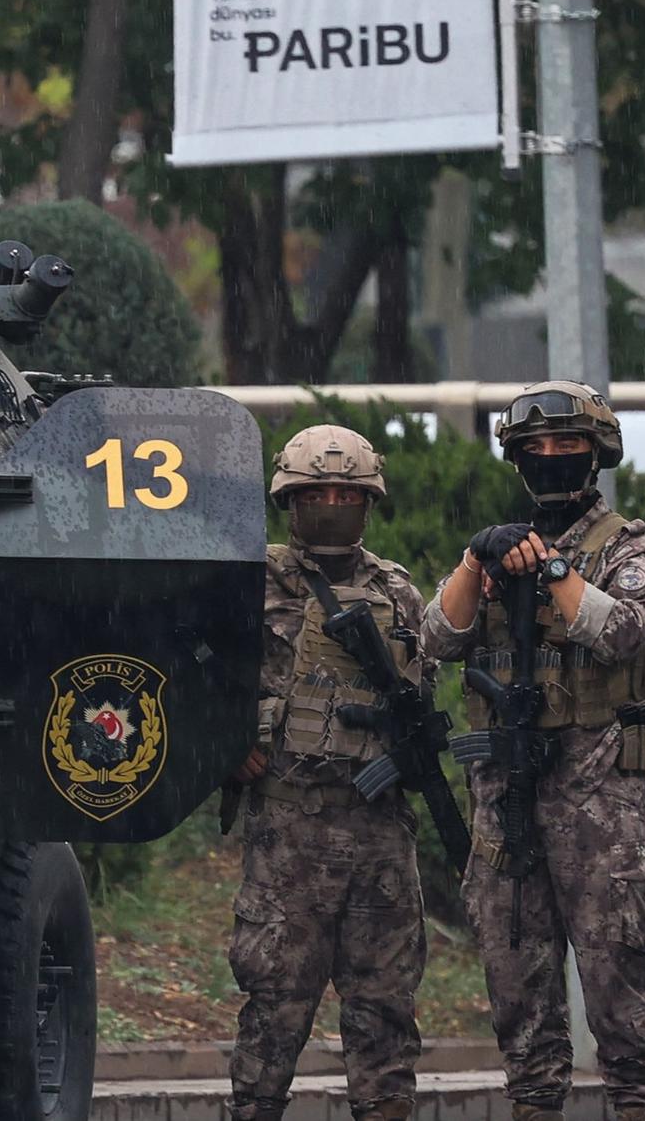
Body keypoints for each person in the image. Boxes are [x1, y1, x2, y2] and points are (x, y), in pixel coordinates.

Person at [420, 380, 645, 1121]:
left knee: (619, 999)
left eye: (569, 448)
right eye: (537, 450)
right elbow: (437, 639)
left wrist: (554, 571)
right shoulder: (500, 552)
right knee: (520, 1005)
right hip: (508, 806)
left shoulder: (634, 546)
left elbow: (622, 629)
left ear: (596, 457)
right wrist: (478, 561)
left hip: (601, 812)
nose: (553, 460)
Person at [224, 425, 433, 1121]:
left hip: (379, 835)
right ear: (290, 498)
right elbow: (200, 676)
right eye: (318, 492)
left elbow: (422, 691)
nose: (334, 503)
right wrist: (234, 740)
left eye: (348, 492)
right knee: (274, 1011)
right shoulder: (252, 581)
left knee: (384, 1013)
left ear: (369, 501)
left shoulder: (397, 591)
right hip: (289, 834)